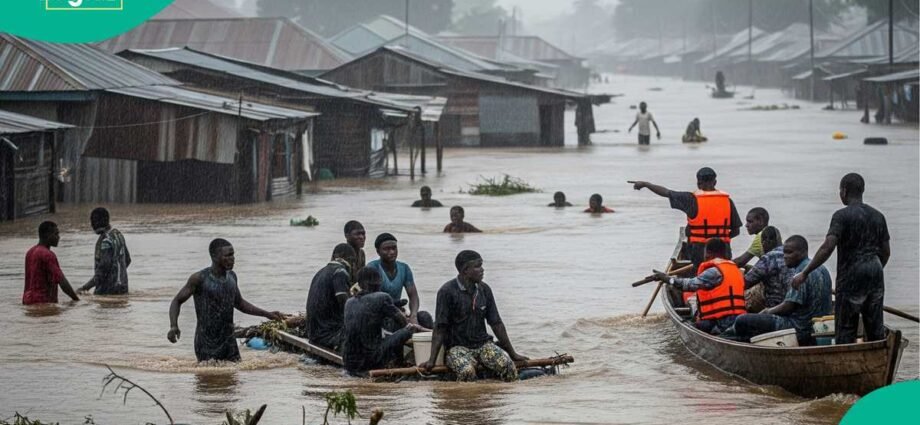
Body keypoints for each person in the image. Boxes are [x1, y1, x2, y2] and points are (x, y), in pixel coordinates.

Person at [791, 173, 890, 344]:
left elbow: (827, 247)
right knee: (875, 327)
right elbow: (886, 251)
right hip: (876, 270)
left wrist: (805, 273)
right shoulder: (878, 216)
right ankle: (879, 356)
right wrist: (874, 269)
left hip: (851, 273)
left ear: (844, 191)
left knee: (845, 328)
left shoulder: (841, 216)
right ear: (862, 190)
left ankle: (846, 360)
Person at [167, 239, 284, 362]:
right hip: (206, 343)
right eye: (227, 255)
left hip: (229, 341)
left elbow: (240, 304)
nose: (232, 258)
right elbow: (177, 301)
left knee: (234, 378)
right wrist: (173, 326)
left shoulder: (232, 276)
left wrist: (267, 314)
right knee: (208, 379)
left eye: (233, 254)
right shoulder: (199, 278)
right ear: (214, 256)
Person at [419, 250, 528, 381]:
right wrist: (432, 360)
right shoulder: (447, 292)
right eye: (478, 266)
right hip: (457, 348)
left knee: (508, 366)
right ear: (465, 270)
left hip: (483, 346)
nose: (482, 270)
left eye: (481, 265)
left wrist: (513, 353)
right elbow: (440, 328)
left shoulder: (484, 290)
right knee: (467, 372)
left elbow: (496, 323)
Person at [726, 235, 832, 345]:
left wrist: (767, 311)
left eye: (789, 252)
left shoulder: (800, 274)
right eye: (784, 253)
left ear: (803, 252)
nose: (785, 256)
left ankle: (726, 340)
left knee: (742, 320)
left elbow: (789, 306)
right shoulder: (822, 268)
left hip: (799, 327)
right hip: (819, 327)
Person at [629, 167, 742, 268]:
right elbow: (736, 231)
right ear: (715, 182)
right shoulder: (727, 201)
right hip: (723, 251)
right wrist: (719, 240)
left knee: (699, 277)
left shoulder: (690, 199)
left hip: (699, 252)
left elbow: (666, 192)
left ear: (698, 183)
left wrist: (646, 184)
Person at [653, 238, 746, 335]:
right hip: (738, 317)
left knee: (694, 323)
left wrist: (667, 279)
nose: (704, 256)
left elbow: (688, 285)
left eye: (705, 253)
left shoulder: (713, 272)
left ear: (709, 253)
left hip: (721, 322)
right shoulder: (735, 269)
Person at [342, 267, 423, 376]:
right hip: (370, 360)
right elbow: (403, 322)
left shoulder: (349, 302)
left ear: (359, 284)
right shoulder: (382, 297)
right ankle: (400, 362)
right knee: (408, 329)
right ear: (380, 282)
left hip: (348, 361)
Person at [366, 233, 434, 330]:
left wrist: (413, 316)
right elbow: (371, 299)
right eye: (386, 249)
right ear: (378, 251)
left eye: (394, 248)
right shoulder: (372, 268)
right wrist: (397, 312)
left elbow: (413, 296)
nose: (392, 252)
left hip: (399, 312)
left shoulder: (404, 268)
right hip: (380, 315)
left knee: (424, 317)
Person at [305, 243, 356, 351]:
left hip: (314, 333)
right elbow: (346, 306)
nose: (353, 265)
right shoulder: (340, 272)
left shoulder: (320, 272)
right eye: (352, 261)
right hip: (328, 335)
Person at [23, 221, 80, 305]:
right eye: (56, 234)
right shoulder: (48, 255)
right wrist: (76, 300)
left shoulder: (30, 252)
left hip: (28, 300)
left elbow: (28, 282)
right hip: (43, 302)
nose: (59, 237)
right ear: (47, 235)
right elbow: (62, 281)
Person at [79, 207, 131, 295]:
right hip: (123, 289)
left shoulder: (105, 241)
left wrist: (84, 288)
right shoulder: (118, 234)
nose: (92, 225)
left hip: (108, 291)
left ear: (101, 221)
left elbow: (103, 270)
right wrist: (118, 276)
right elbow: (128, 260)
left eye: (93, 221)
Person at [743, 226, 791, 311]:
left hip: (775, 308)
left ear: (765, 242)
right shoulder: (790, 254)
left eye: (762, 243)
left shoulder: (769, 257)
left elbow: (745, 283)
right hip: (792, 305)